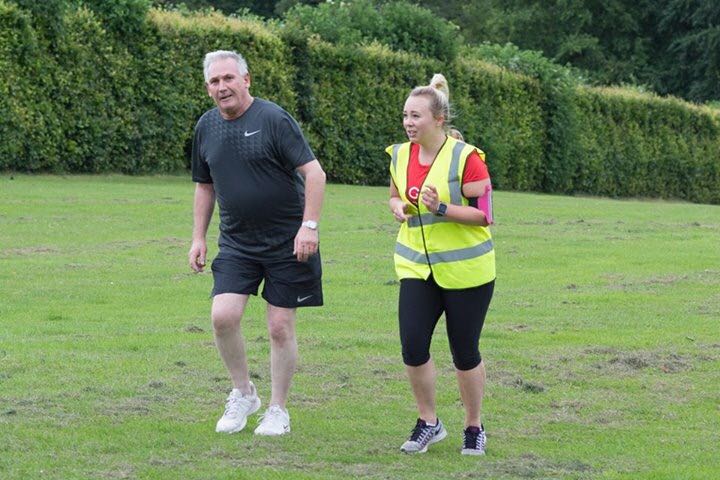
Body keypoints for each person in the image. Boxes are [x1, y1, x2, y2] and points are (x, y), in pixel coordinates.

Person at [189, 50, 326, 436]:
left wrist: (309, 226)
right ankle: (243, 392)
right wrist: (198, 237)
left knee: (280, 327)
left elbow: (314, 174)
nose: (222, 87)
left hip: (288, 242)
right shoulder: (206, 127)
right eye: (215, 82)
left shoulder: (273, 119)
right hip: (236, 243)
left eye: (229, 78)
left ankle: (277, 409)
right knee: (223, 317)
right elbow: (205, 185)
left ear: (246, 80)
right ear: (207, 89)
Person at [386, 73, 495, 455]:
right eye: (405, 116)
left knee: (464, 352)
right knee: (412, 346)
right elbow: (396, 196)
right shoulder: (399, 155)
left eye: (415, 116)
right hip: (417, 267)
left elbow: (485, 216)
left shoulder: (468, 158)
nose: (408, 123)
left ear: (438, 120)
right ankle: (429, 422)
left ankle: (473, 426)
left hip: (467, 272)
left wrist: (441, 208)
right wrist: (398, 207)